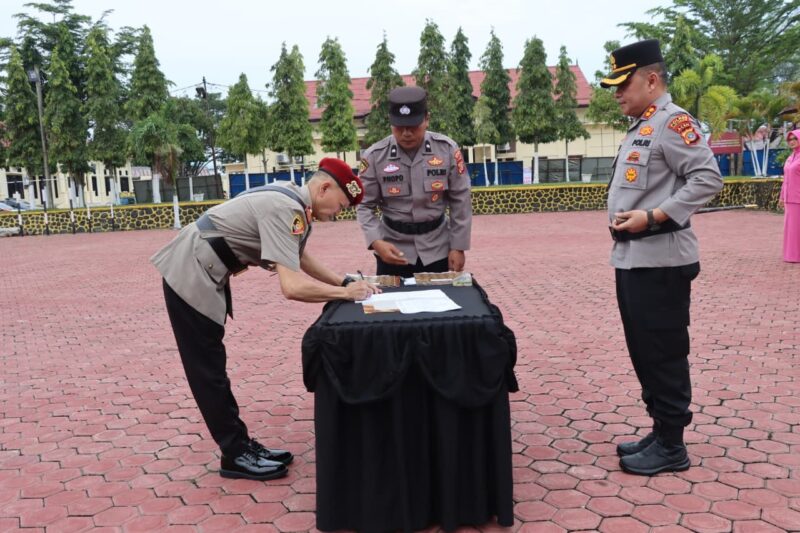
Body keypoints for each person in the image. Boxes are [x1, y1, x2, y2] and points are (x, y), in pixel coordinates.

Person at [151, 158, 379, 481]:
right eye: (340, 205)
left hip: (205, 267)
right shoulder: (289, 209)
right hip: (188, 271)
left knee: (213, 367)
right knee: (209, 370)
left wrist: (342, 282)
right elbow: (292, 286)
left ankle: (242, 445)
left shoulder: (294, 201)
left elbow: (297, 256)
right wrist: (346, 294)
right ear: (325, 187)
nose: (337, 213)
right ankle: (235, 452)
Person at [600, 39, 724, 475]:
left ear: (651, 80)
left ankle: (673, 445)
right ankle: (660, 428)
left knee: (665, 351)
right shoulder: (642, 126)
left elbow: (708, 179)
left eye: (623, 84)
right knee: (644, 351)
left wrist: (653, 216)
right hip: (634, 259)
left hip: (662, 262)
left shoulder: (673, 123)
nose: (616, 93)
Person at [356, 86, 472, 277]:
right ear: (390, 123)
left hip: (438, 248)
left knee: (439, 304)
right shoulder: (375, 156)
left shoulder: (447, 150)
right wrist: (376, 241)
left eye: (413, 126)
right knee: (393, 305)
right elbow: (364, 204)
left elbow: (461, 200)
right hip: (392, 250)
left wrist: (458, 246)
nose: (406, 133)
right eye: (399, 127)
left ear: (427, 119)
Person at [779, 128, 800, 262]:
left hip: (798, 198)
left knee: (796, 227)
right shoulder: (790, 157)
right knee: (791, 228)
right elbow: (786, 178)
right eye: (789, 139)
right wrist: (782, 197)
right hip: (789, 198)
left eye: (794, 139)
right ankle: (791, 254)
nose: (792, 142)